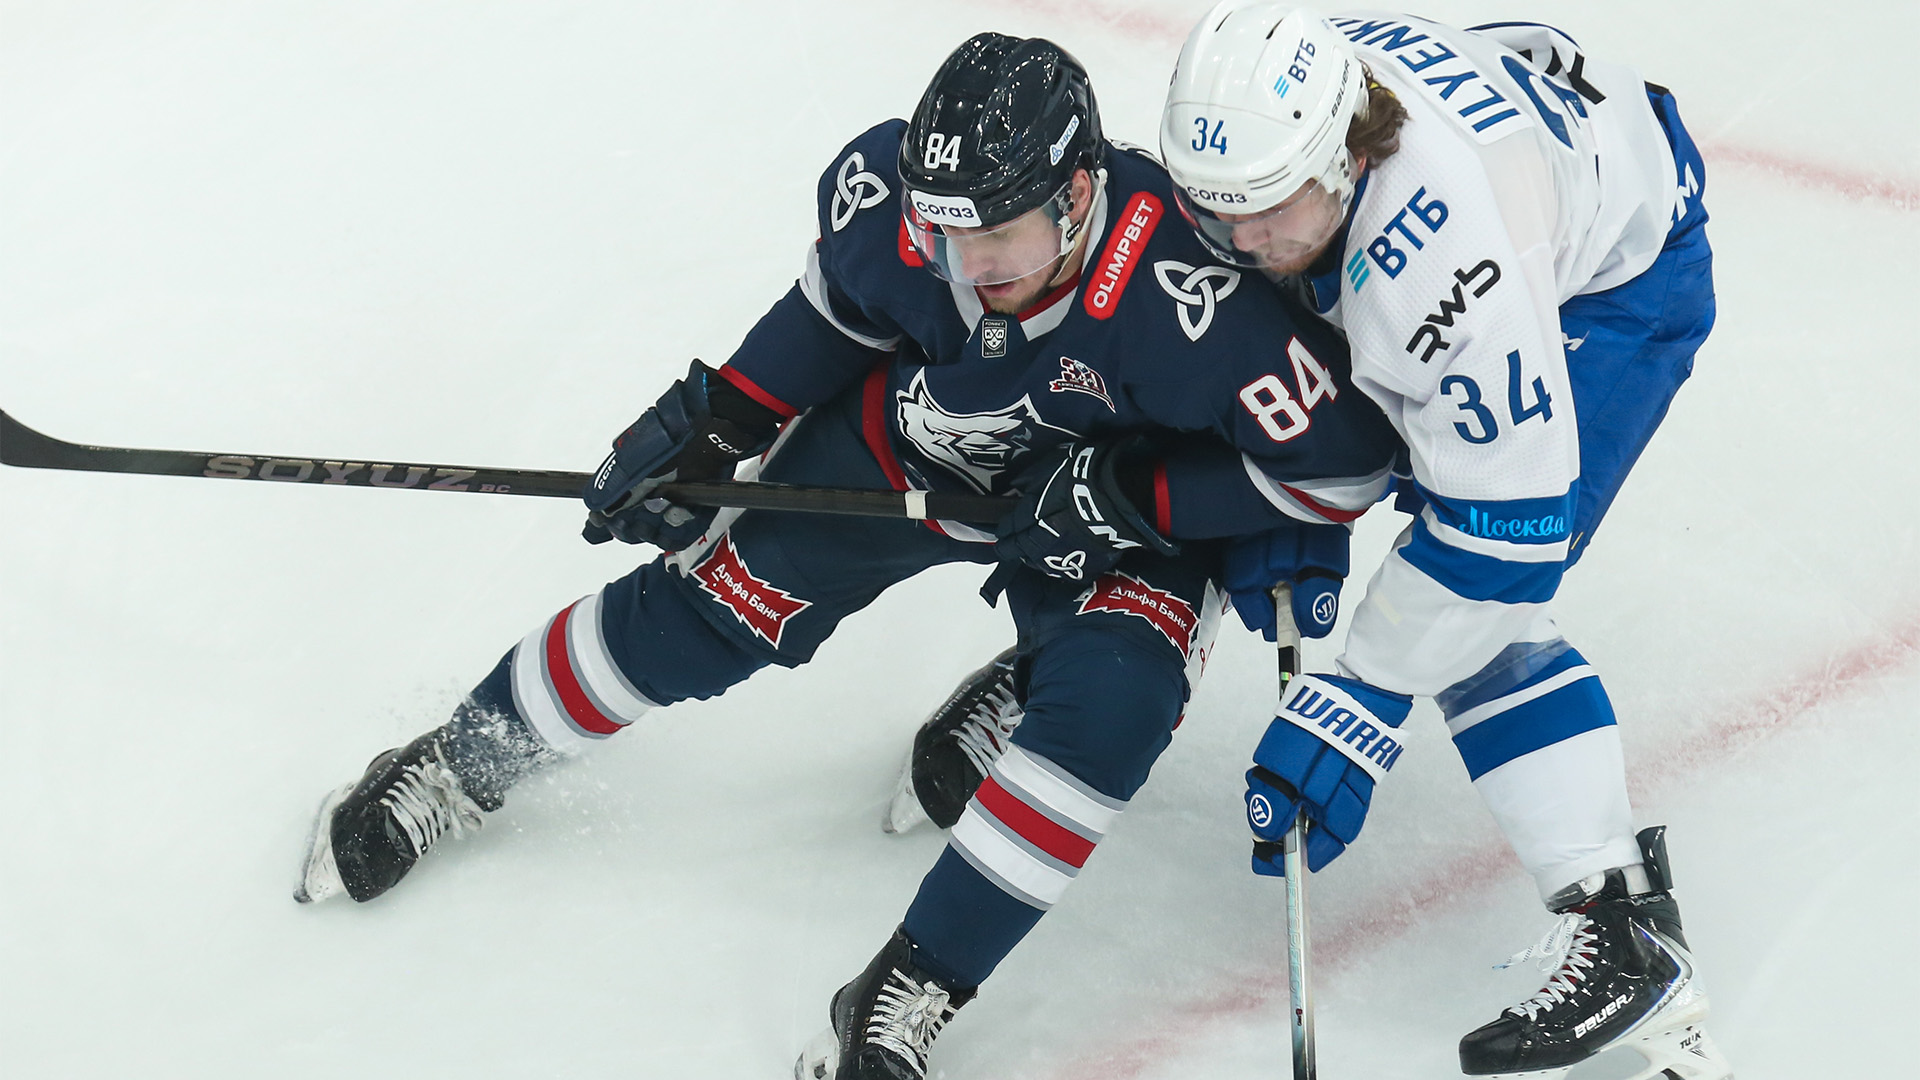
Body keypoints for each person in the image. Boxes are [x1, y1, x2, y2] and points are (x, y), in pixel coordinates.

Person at [292, 32, 1398, 1080]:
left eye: (995, 239)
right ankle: (459, 762)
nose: (965, 268)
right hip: (914, 448)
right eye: (943, 234)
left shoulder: (1200, 300)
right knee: (700, 620)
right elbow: (841, 311)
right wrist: (727, 415)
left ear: (1075, 197)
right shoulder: (897, 210)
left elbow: (1344, 470)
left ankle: (914, 980)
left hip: (1106, 518)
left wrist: (1137, 494)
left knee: (1110, 706)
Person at [899, 5, 1730, 1078]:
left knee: (1474, 607)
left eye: (1267, 213)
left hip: (1614, 278)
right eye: (1218, 210)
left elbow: (1503, 546)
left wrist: (1360, 703)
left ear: (1347, 157)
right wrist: (1293, 500)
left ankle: (1624, 925)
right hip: (1523, 144)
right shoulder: (1268, 128)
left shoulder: (1446, 272)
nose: (1242, 243)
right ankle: (1067, 668)